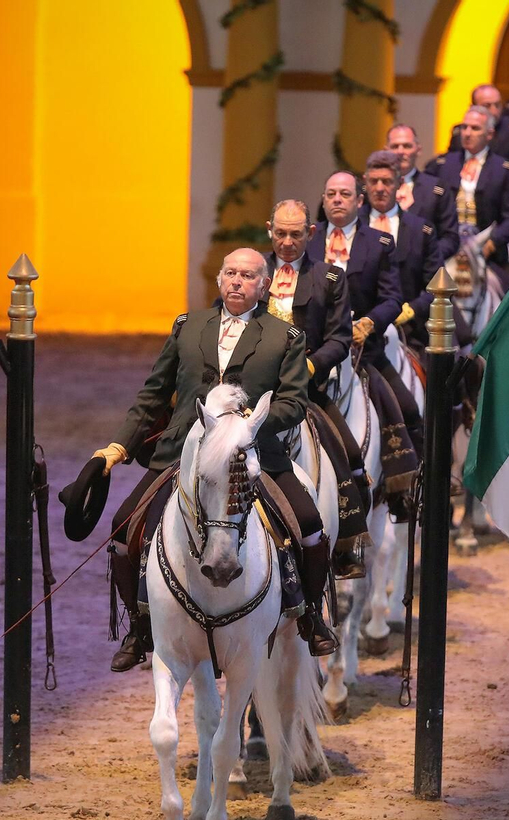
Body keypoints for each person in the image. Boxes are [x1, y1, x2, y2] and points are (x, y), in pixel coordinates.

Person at [98, 249, 339, 673]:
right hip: (181, 453)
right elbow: (153, 394)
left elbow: (293, 404)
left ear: (264, 285)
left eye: (248, 276)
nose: (237, 282)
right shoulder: (188, 328)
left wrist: (241, 425)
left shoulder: (285, 337)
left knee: (310, 528)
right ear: (219, 279)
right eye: (230, 273)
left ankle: (310, 616)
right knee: (122, 530)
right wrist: (118, 447)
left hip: (255, 453)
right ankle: (139, 627)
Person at [262, 199, 373, 572]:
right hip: (251, 392)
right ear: (269, 231)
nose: (287, 242)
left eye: (296, 234)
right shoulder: (250, 271)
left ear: (311, 233)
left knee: (348, 454)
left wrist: (306, 367)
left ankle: (345, 543)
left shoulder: (329, 278)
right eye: (280, 234)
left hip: (304, 392)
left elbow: (339, 341)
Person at [310, 171, 422, 505]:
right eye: (330, 194)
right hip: (315, 348)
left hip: (365, 349)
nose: (337, 200)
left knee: (406, 407)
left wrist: (370, 323)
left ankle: (406, 490)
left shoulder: (379, 243)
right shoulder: (310, 241)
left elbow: (392, 298)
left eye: (344, 194)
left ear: (359, 201)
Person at [361, 150, 443, 350]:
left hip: (412, 328)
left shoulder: (421, 230)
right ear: (365, 182)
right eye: (374, 181)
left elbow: (436, 287)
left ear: (399, 184)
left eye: (387, 182)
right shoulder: (351, 227)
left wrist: (412, 309)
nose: (380, 188)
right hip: (359, 328)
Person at [428, 106, 509, 271]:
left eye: (475, 128)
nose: (467, 133)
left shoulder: (504, 170)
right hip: (446, 247)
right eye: (464, 127)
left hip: (487, 248)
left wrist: (494, 241)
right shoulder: (443, 165)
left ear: (489, 134)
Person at [387, 123, 458, 265]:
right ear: (386, 150)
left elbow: (450, 237)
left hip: (423, 271)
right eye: (395, 146)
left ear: (418, 149)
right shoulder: (374, 189)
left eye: (407, 146)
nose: (401, 152)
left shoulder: (436, 189)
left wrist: (429, 257)